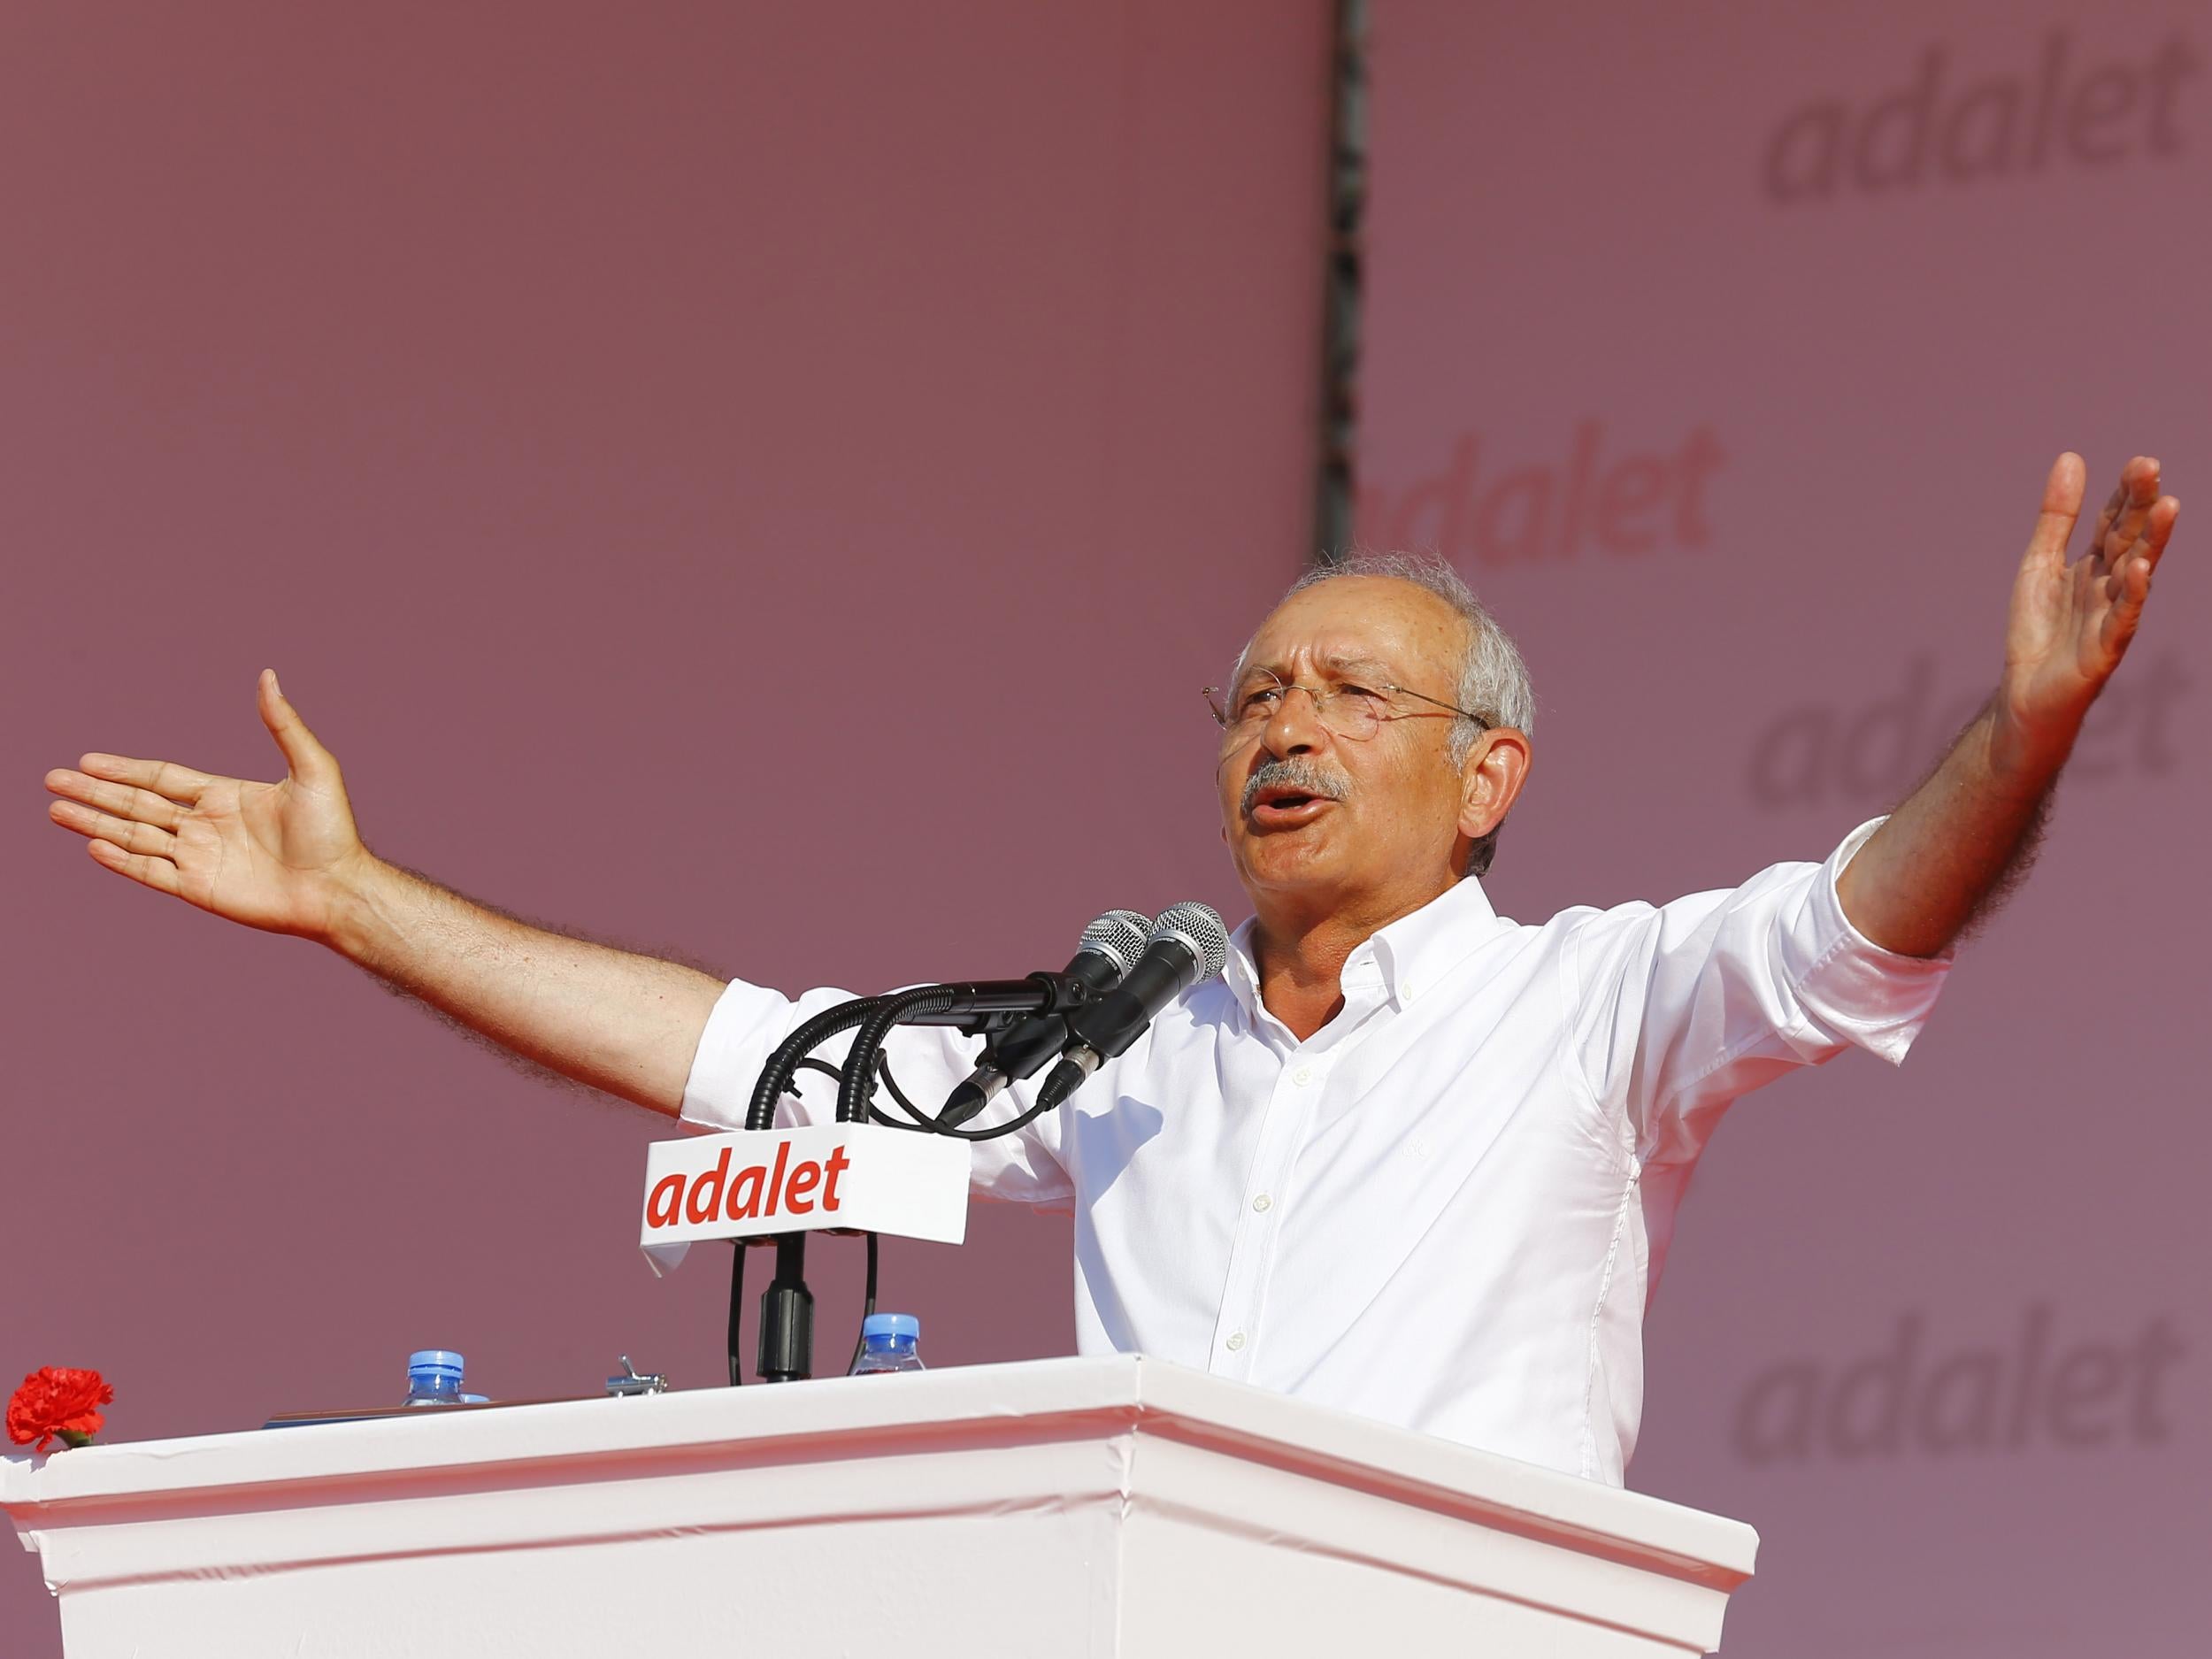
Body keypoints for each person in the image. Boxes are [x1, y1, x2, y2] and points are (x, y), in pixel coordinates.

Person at [43, 453, 2177, 1484]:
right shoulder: (1120, 1042)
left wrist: (2028, 727)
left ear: (1487, 772)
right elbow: (755, 1058)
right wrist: (356, 897)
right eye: (1254, 694)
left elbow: (1856, 920)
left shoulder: (1594, 1004)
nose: (1283, 728)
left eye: (1351, 694)